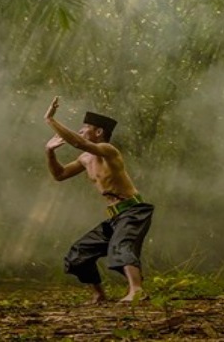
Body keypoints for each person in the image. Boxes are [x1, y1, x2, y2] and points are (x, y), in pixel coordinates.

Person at [43, 96, 154, 303]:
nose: (81, 131)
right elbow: (59, 175)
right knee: (79, 253)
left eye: (85, 127)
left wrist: (51, 120)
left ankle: (137, 291)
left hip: (133, 211)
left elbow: (77, 142)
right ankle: (99, 295)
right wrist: (49, 152)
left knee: (121, 246)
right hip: (115, 217)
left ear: (99, 132)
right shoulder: (85, 159)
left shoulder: (108, 151)